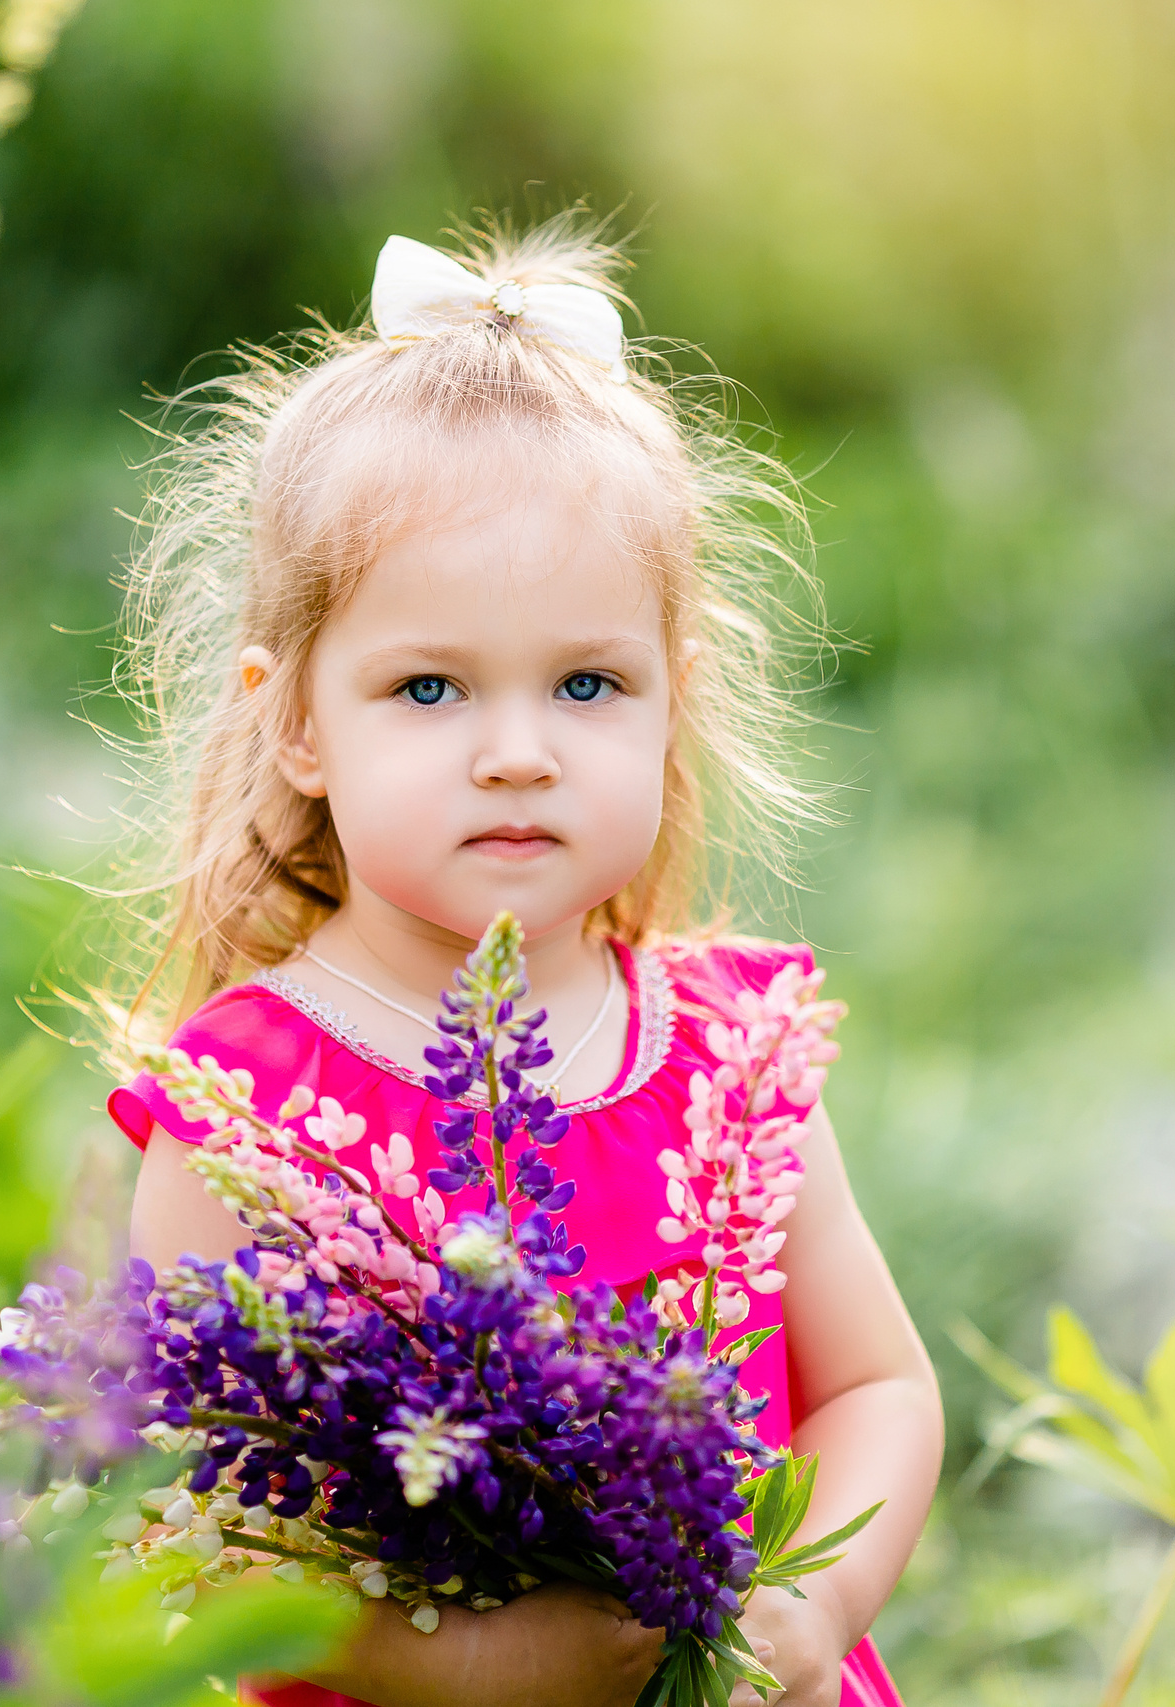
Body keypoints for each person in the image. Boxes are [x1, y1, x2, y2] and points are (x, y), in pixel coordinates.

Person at [106, 217, 942, 1707]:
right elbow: (197, 1527)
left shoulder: (729, 1058)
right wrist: (477, 1664)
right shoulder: (245, 1105)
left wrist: (811, 1610)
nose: (516, 753)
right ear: (295, 722)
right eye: (430, 687)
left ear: (673, 704)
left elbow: (877, 1386)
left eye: (587, 683)